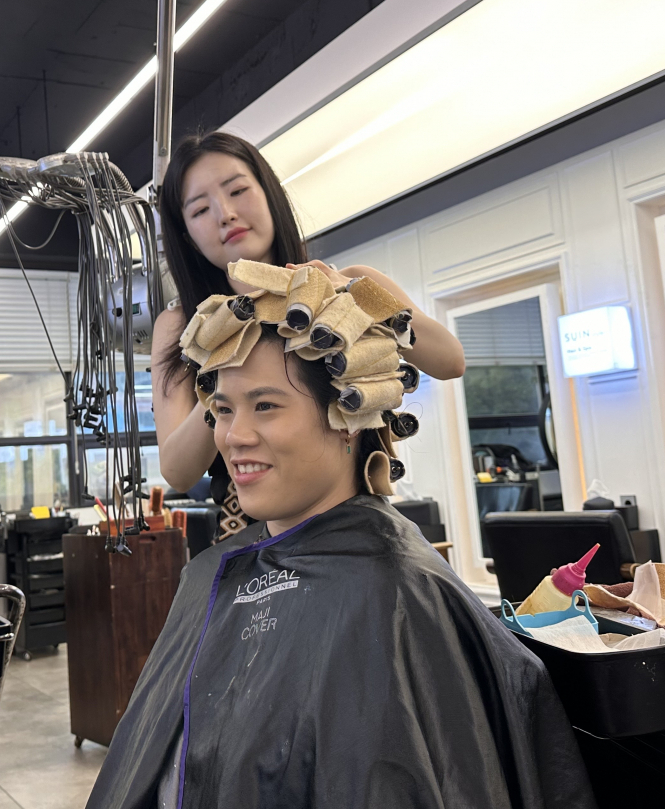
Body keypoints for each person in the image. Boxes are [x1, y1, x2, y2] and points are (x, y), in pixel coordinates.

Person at [74, 264, 606, 809]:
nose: (234, 437)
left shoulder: (395, 593)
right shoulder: (210, 573)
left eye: (267, 406)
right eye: (223, 410)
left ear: (347, 416)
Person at [152, 131, 465, 537]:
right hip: (250, 541)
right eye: (199, 210)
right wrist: (220, 362)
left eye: (238, 190)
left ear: (269, 194)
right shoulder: (180, 326)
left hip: (356, 530)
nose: (225, 213)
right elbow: (177, 471)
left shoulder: (353, 283)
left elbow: (449, 360)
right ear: (187, 239)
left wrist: (349, 295)